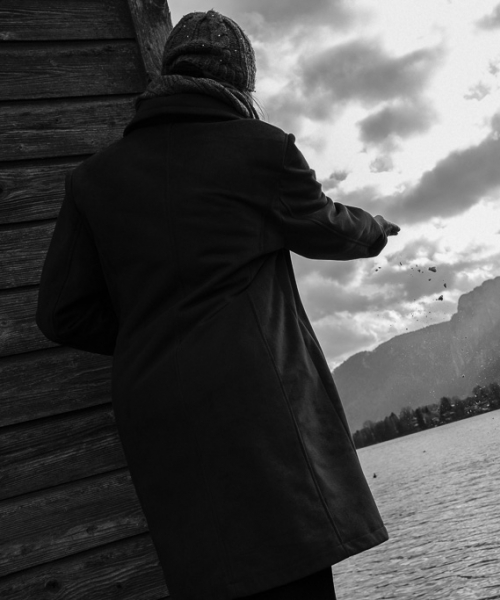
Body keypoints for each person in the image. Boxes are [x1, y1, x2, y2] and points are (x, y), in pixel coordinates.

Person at [36, 11, 397, 600]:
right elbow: (330, 227)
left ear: (168, 74)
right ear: (241, 81)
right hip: (256, 411)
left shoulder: (93, 181)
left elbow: (60, 313)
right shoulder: (261, 150)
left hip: (159, 422)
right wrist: (377, 227)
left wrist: (145, 334)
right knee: (293, 569)